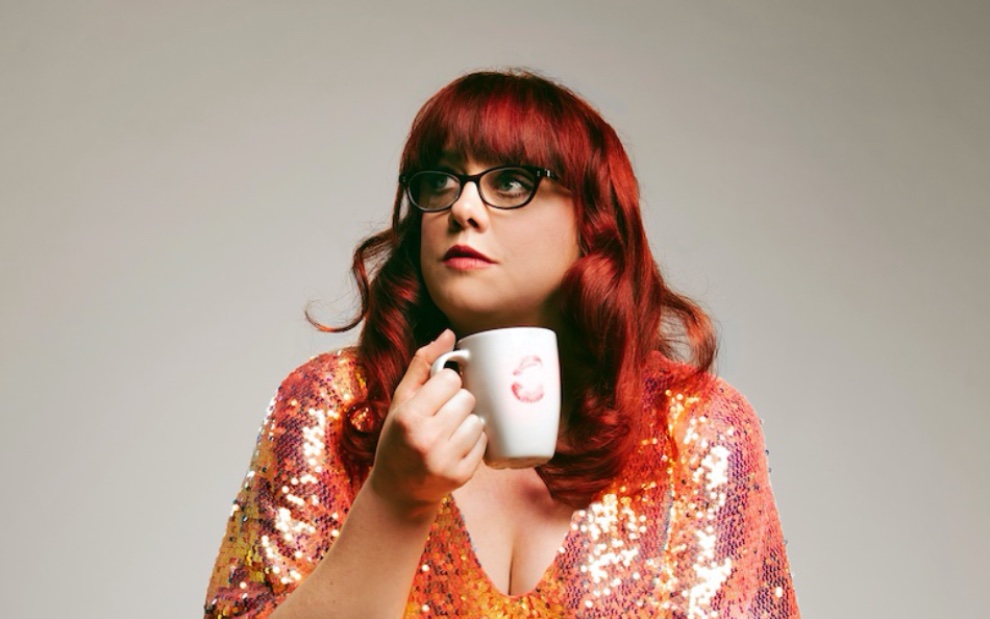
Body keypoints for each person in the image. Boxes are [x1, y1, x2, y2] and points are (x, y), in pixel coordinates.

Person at [204, 69, 800, 618]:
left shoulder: (694, 427)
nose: (462, 208)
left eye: (512, 181)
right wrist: (394, 500)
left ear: (593, 220)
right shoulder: (333, 404)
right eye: (440, 181)